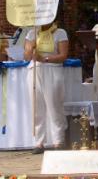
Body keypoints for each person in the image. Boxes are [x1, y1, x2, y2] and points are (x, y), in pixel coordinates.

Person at [24, 22, 68, 154]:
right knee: (37, 108)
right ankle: (39, 142)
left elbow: (63, 56)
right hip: (35, 70)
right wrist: (30, 47)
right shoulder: (32, 33)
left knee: (54, 106)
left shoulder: (60, 32)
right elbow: (26, 56)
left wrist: (45, 59)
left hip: (52, 70)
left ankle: (58, 140)